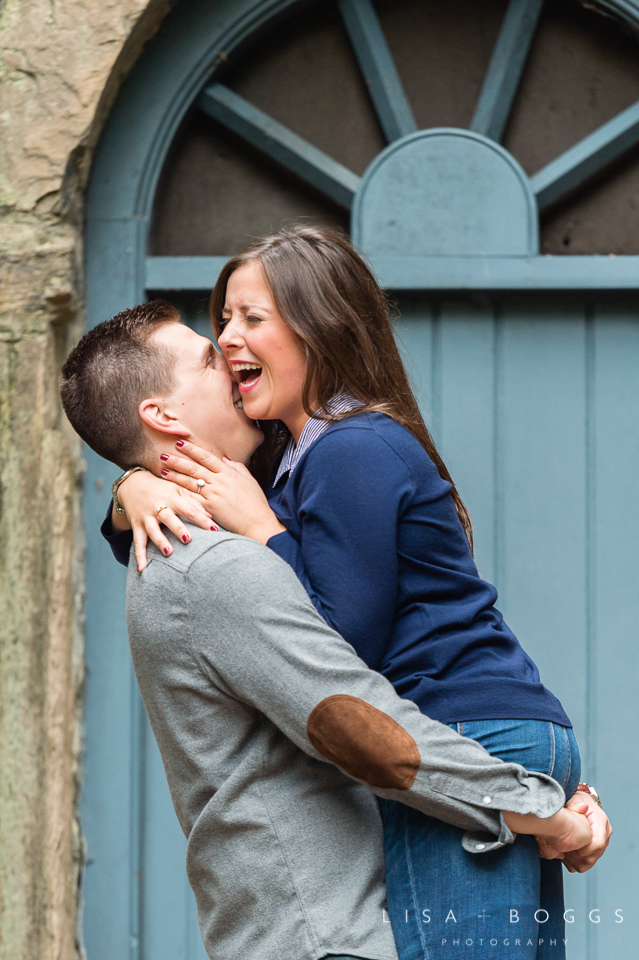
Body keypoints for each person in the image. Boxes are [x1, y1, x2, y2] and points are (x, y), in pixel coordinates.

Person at [112, 229, 612, 960]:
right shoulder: (295, 452)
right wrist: (134, 484)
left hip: (461, 734)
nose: (227, 339)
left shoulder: (347, 448)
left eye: (252, 318)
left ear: (319, 326)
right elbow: (162, 527)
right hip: (479, 732)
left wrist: (260, 528)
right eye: (223, 319)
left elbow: (339, 647)